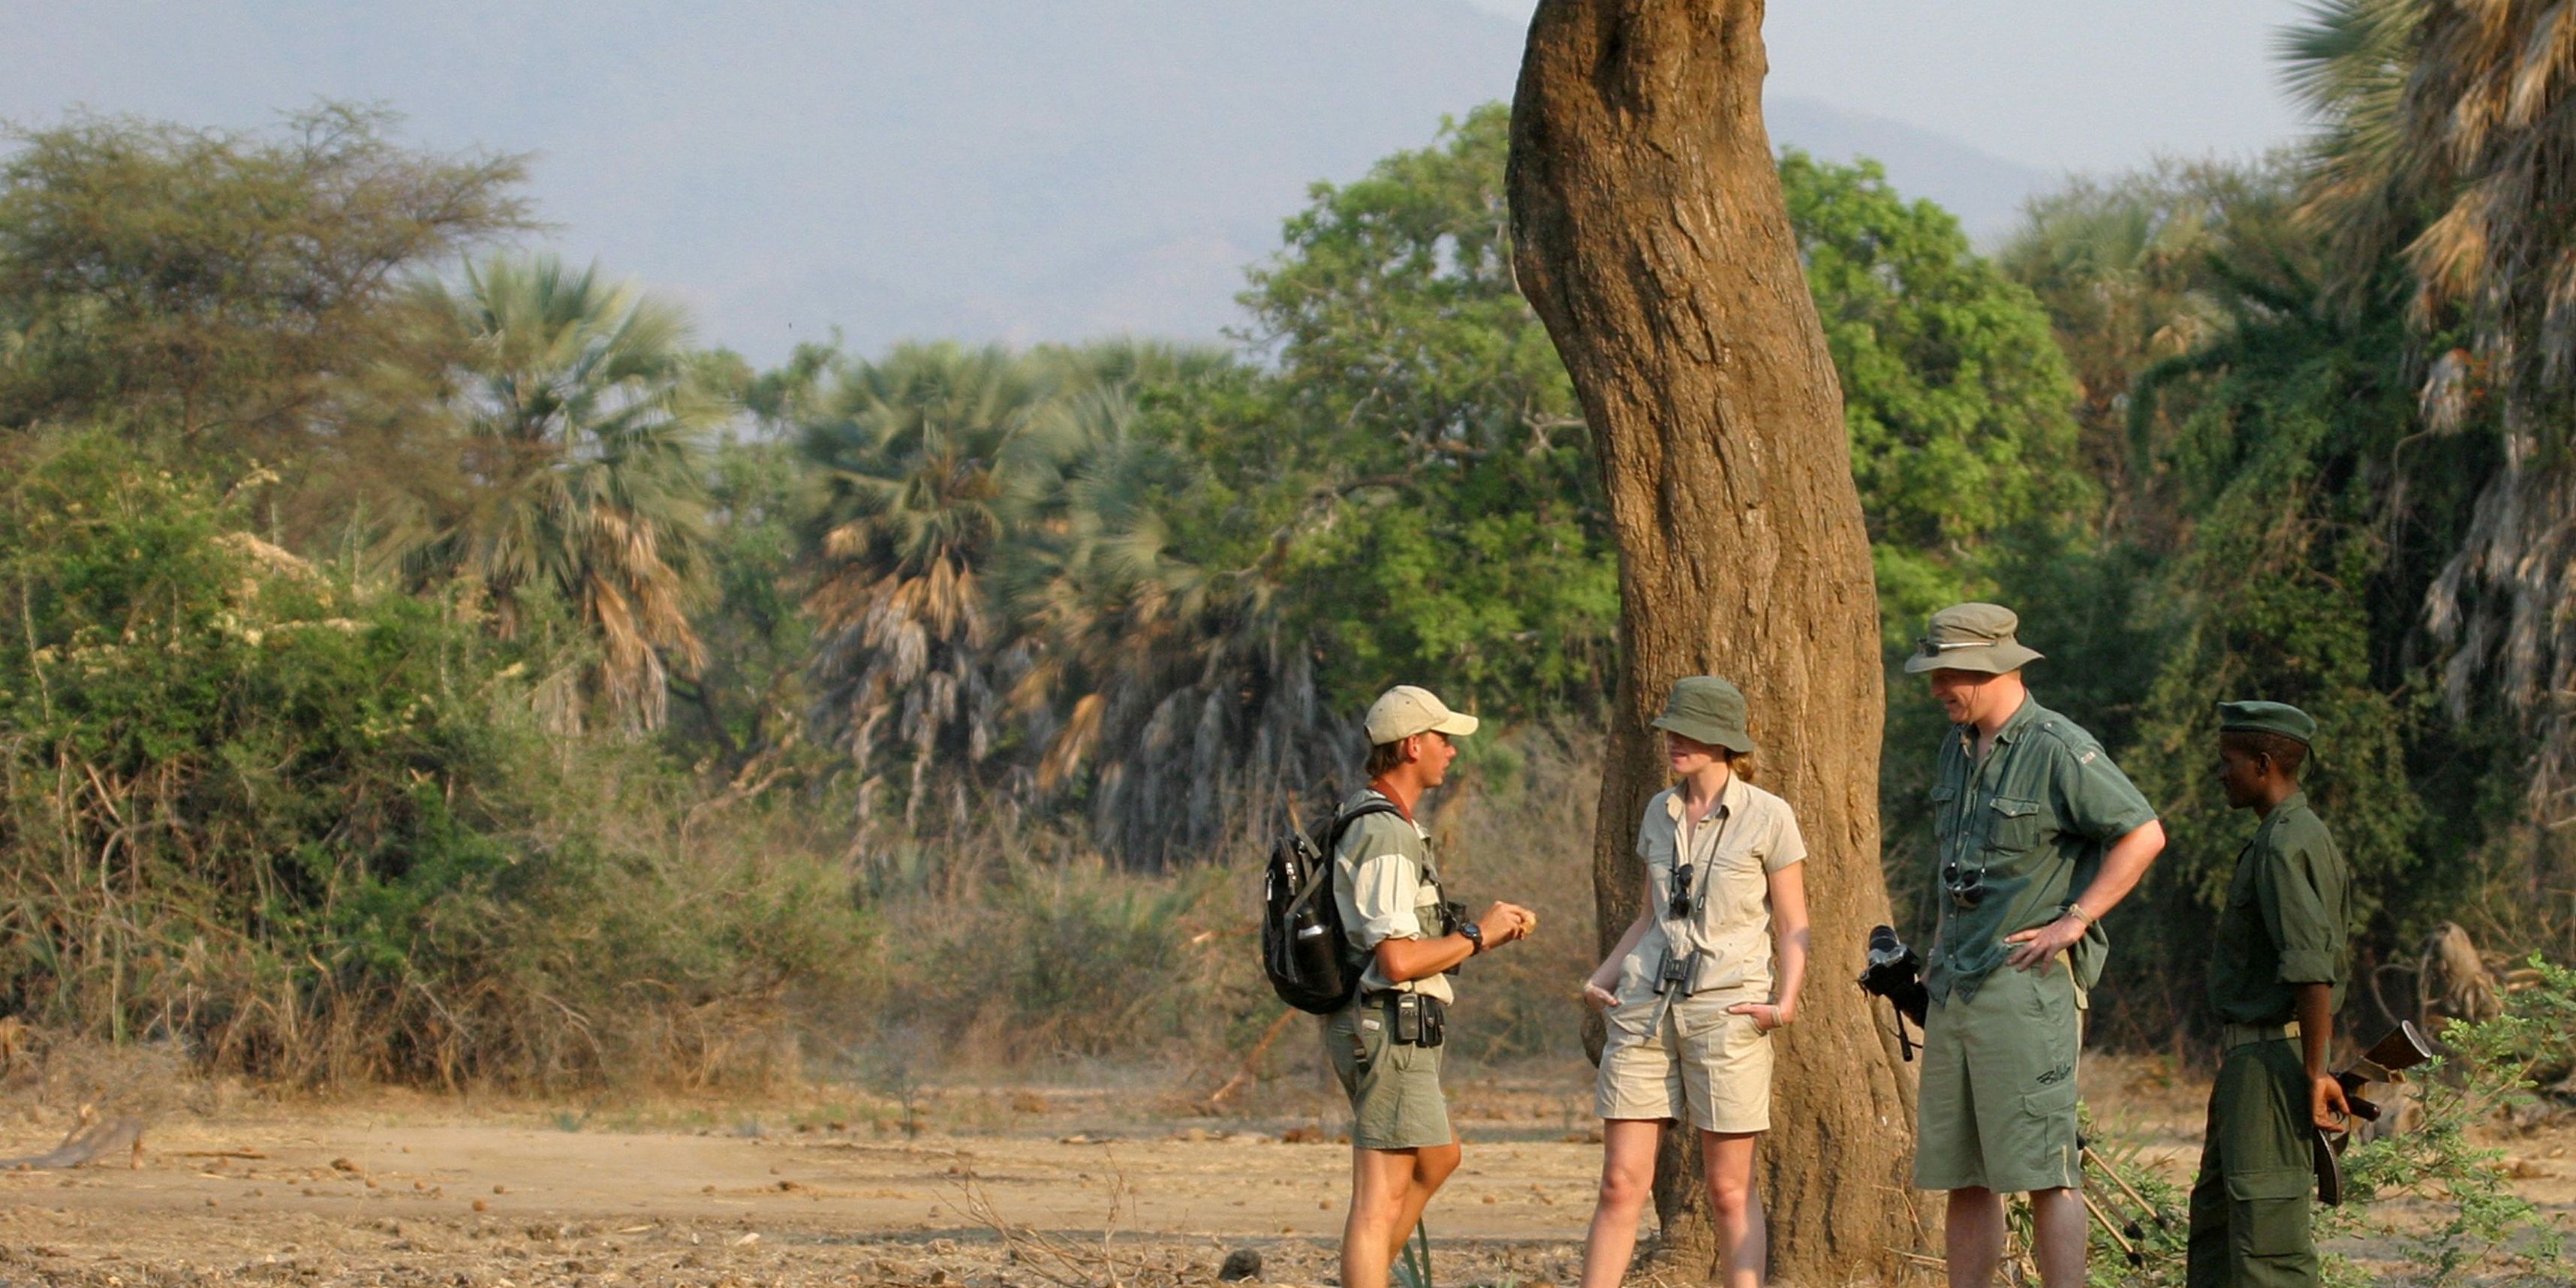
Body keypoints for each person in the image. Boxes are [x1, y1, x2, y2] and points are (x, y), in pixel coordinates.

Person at [1904, 603, 2167, 1288]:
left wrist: (2074, 919)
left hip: (2025, 986)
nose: (1937, 690)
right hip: (1956, 985)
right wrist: (1934, 958)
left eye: (1948, 674)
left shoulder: (2058, 746)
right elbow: (1952, 868)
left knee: (2046, 1170)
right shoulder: (1956, 749)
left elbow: (2143, 833)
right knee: (1965, 1173)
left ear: (1992, 668)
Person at [1578, 676, 1810, 1288]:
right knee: (1620, 1182)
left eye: (1688, 732)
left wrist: (1782, 1004)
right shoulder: (1660, 810)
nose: (1673, 742)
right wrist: (1601, 978)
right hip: (1644, 1007)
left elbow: (1793, 924)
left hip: (1727, 1012)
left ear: (1724, 741)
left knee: (1730, 1189)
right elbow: (1650, 915)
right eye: (1671, 731)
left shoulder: (1770, 816)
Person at [1329, 684, 1536, 1288]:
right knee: (1377, 1198)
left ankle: (1370, 1277)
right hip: (1387, 1023)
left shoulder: (1381, 820)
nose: (1451, 751)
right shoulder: (1386, 833)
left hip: (1396, 1028)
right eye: (1444, 740)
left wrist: (1487, 935)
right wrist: (1477, 933)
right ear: (1413, 744)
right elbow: (1395, 961)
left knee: (1440, 1157)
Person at [2188, 701, 2351, 1288]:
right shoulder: (2282, 837)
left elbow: (2312, 969)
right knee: (2220, 1230)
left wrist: (2315, 1073)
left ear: (2263, 764)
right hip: (2249, 1062)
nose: (2221, 775)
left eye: (2227, 763)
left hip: (2270, 1064)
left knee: (2266, 1246)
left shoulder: (2286, 845)